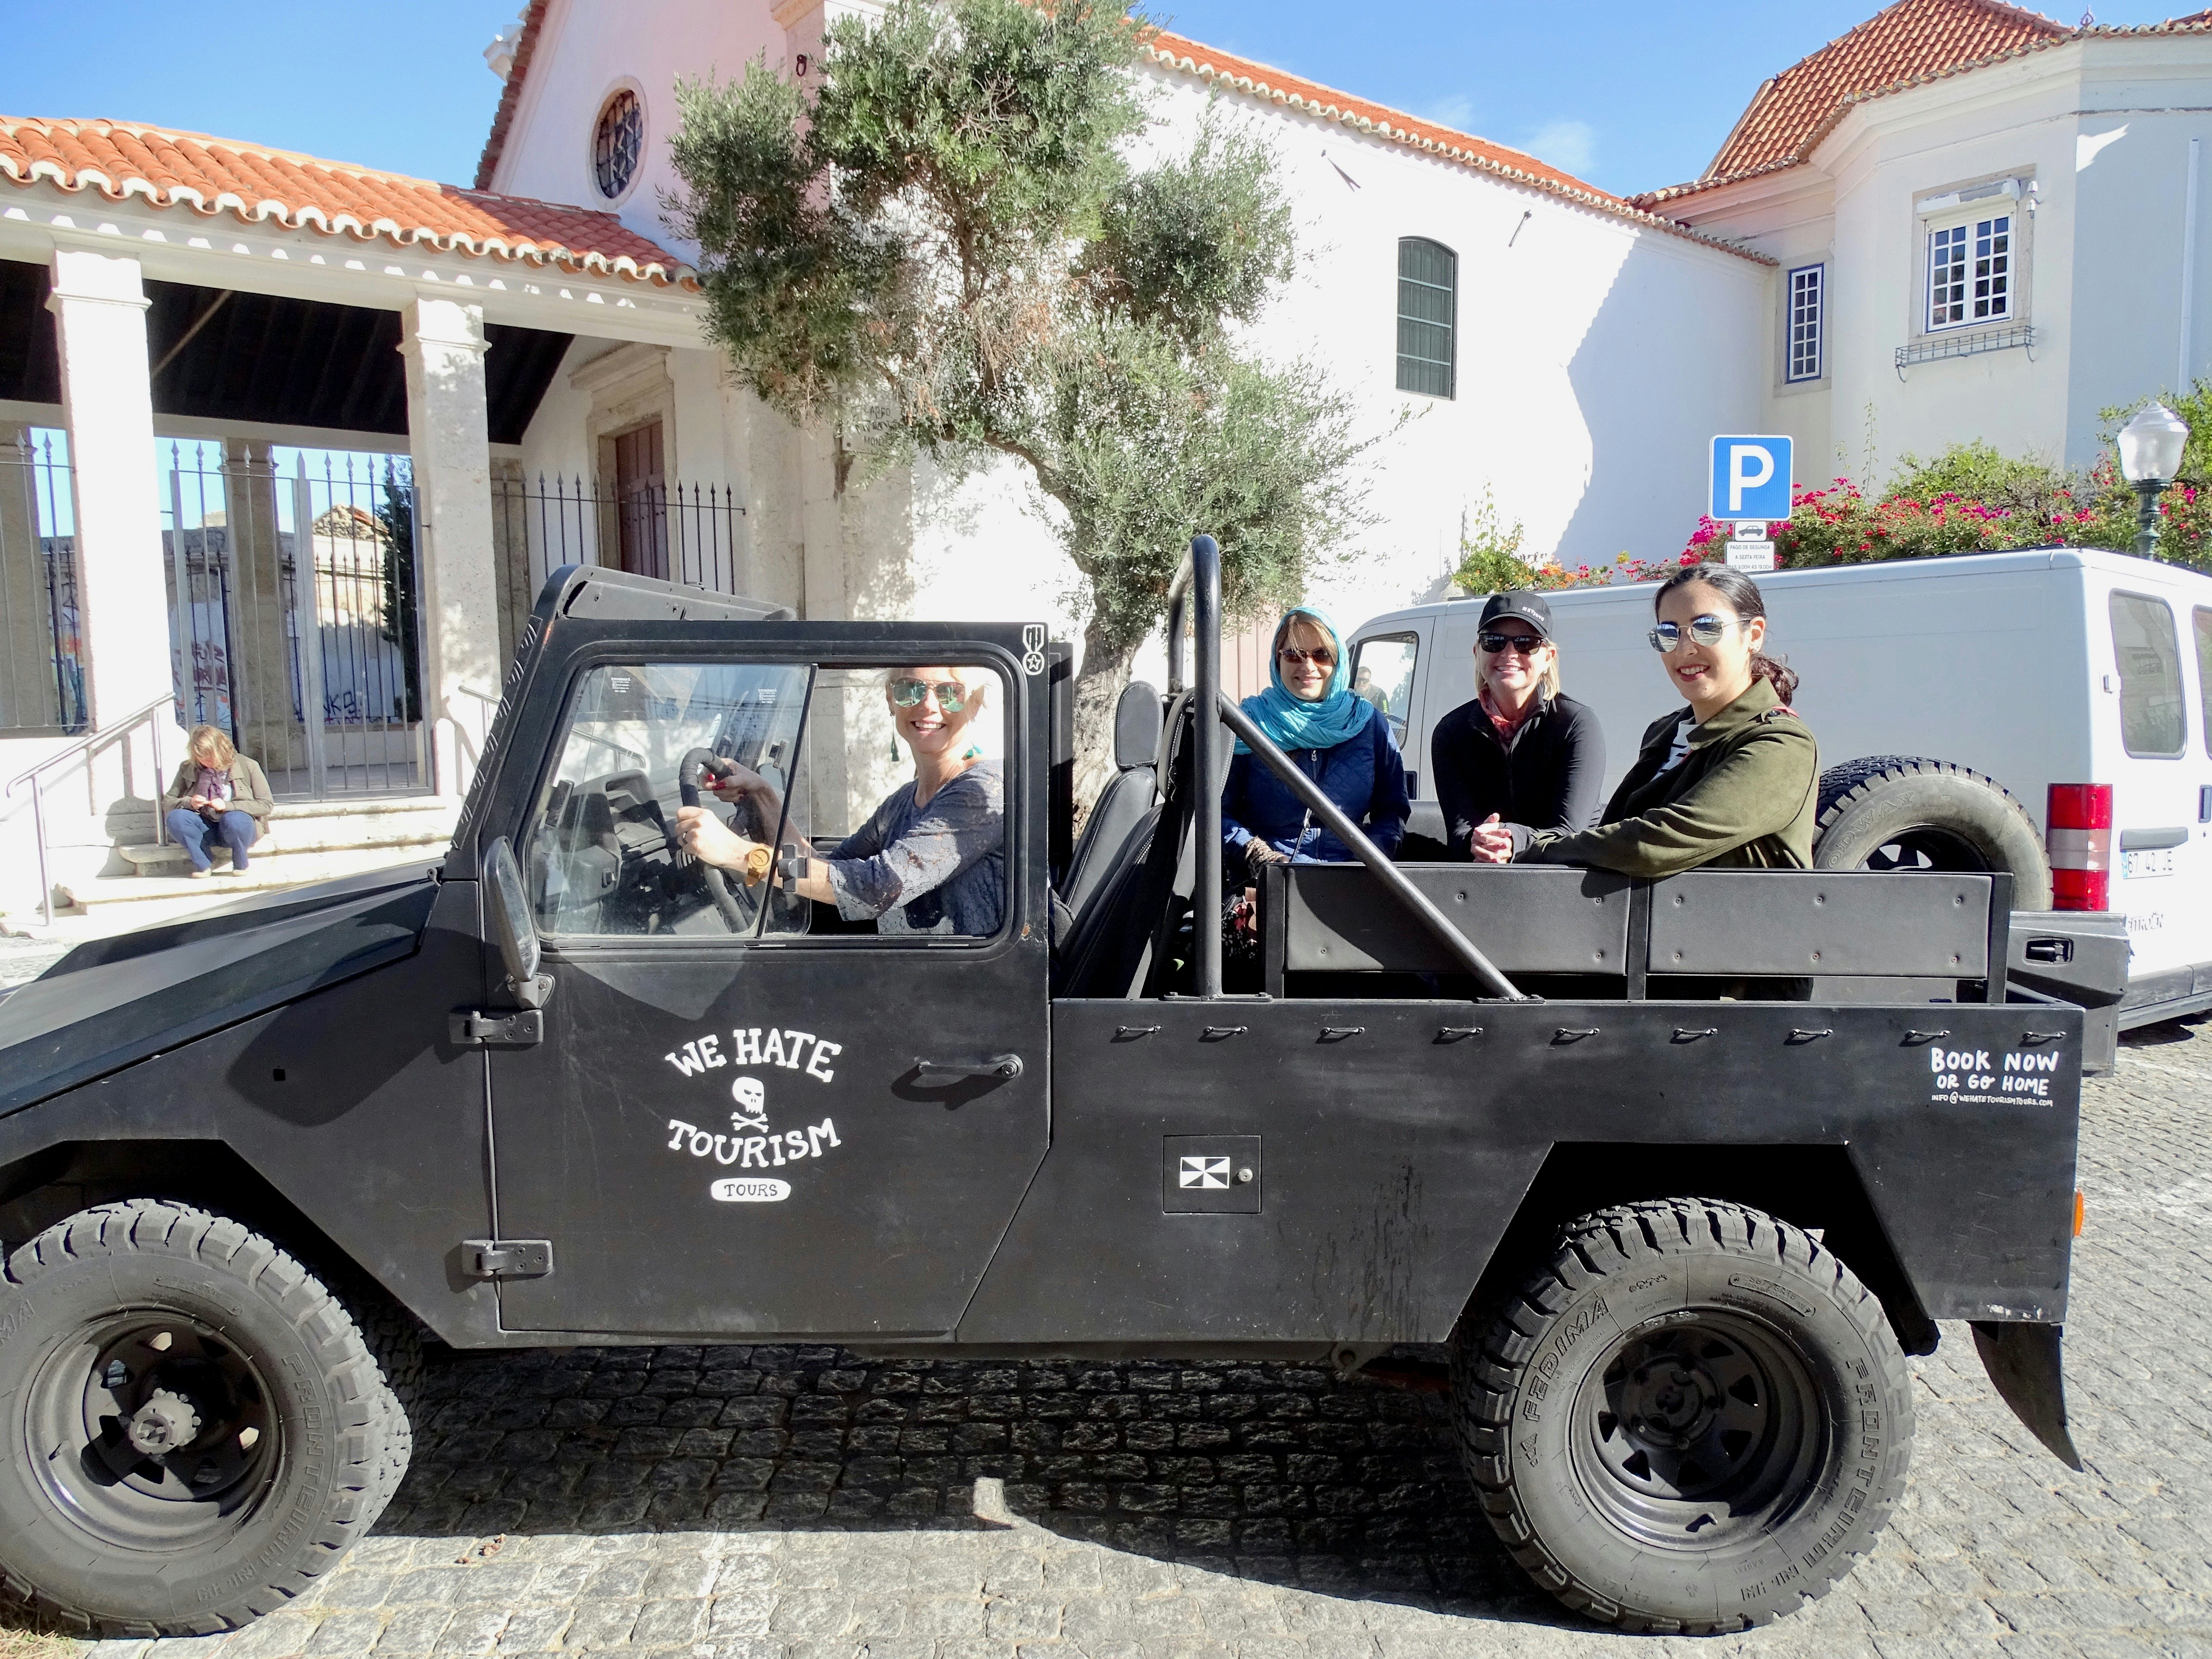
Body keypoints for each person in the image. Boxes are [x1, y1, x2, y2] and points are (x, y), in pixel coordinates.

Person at [1467, 566, 1816, 875]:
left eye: (1706, 628)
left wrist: (1531, 848)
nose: (1684, 649)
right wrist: (1514, 840)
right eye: (1669, 633)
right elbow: (1616, 831)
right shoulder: (1666, 732)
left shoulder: (1780, 744)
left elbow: (1653, 844)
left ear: (1753, 635)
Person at [675, 666, 1005, 934]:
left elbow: (878, 889)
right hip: (920, 988)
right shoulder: (904, 802)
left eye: (951, 692)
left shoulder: (984, 790)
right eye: (911, 689)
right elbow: (816, 873)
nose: (929, 706)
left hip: (981, 998)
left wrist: (738, 854)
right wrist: (762, 795)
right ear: (892, 700)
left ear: (974, 704)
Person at [1223, 607, 1409, 871]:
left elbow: (1392, 810)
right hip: (1270, 881)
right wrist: (1255, 853)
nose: (1308, 666)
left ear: (1338, 661)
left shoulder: (1368, 723)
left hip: (1354, 881)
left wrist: (1371, 859)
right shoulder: (1248, 723)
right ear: (1278, 661)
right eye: (1293, 655)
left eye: (1321, 655)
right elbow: (1216, 811)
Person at [1429, 591, 1606, 859]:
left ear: (1548, 656)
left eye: (1526, 643)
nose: (1509, 653)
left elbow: (1570, 833)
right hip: (1482, 884)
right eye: (1494, 642)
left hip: (1568, 888)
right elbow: (1459, 835)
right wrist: (1480, 844)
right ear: (1477, 652)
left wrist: (1514, 841)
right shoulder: (1451, 733)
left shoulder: (1577, 724)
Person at [162, 725, 274, 878]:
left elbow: (266, 805)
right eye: (201, 757)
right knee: (177, 818)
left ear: (220, 749)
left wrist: (228, 806)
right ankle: (203, 863)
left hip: (238, 827)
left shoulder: (248, 765)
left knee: (234, 818)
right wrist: (190, 803)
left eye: (210, 756)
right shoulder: (188, 768)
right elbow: (168, 802)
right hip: (205, 825)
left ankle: (240, 863)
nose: (206, 761)